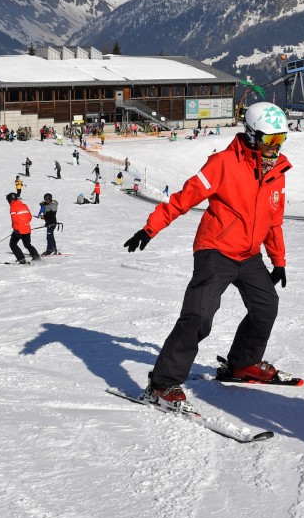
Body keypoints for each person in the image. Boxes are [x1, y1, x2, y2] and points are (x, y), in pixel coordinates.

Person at [122, 102, 292, 408]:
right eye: (270, 140)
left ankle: (242, 363)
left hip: (249, 255)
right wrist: (150, 229)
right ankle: (162, 383)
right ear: (252, 136)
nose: (275, 147)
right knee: (199, 315)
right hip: (215, 250)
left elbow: (272, 220)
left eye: (281, 139)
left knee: (266, 306)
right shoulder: (223, 163)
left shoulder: (277, 172)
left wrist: (278, 260)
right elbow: (184, 198)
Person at [7, 192, 40, 263]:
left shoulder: (13, 207)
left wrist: (16, 229)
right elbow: (30, 217)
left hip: (19, 230)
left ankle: (21, 259)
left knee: (12, 244)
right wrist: (24, 223)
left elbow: (15, 220)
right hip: (27, 228)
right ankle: (36, 257)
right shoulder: (24, 205)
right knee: (27, 244)